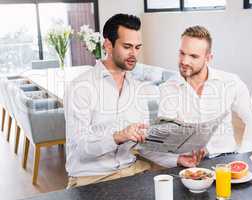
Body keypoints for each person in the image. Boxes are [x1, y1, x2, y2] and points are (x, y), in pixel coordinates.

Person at [64, 14, 205, 188]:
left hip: (132, 171)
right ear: (108, 45)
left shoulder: (137, 88)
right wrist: (118, 137)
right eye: (127, 47)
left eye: (137, 47)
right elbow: (80, 150)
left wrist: (177, 159)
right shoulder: (81, 87)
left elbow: (142, 144)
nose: (134, 54)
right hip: (92, 179)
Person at [158, 26, 252, 158]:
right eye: (182, 53)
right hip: (188, 162)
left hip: (226, 157)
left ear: (208, 58)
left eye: (193, 56)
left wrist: (243, 154)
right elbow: (167, 134)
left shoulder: (230, 82)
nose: (184, 61)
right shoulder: (168, 88)